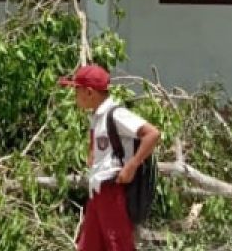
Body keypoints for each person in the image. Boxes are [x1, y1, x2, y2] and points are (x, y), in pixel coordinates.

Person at [59, 64, 161, 251]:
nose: (75, 96)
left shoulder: (117, 114)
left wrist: (132, 165)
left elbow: (152, 134)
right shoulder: (97, 117)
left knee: (118, 244)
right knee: (89, 245)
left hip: (113, 190)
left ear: (89, 93)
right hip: (97, 190)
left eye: (76, 91)